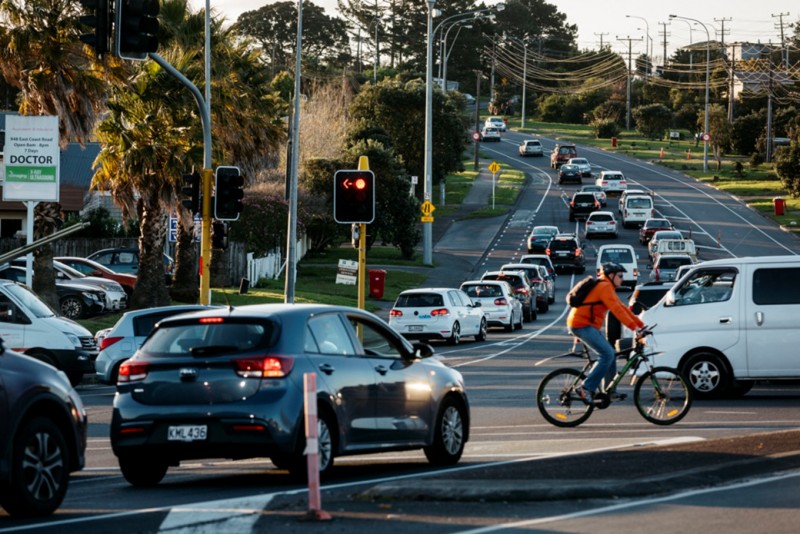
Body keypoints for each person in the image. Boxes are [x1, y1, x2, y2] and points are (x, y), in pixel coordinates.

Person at [567, 262, 645, 403]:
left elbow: (622, 308)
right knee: (607, 354)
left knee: (611, 354)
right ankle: (585, 388)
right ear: (611, 275)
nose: (622, 279)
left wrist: (641, 325)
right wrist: (635, 328)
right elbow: (617, 310)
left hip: (587, 325)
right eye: (620, 276)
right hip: (581, 324)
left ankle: (610, 390)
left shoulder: (606, 286)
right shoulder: (604, 287)